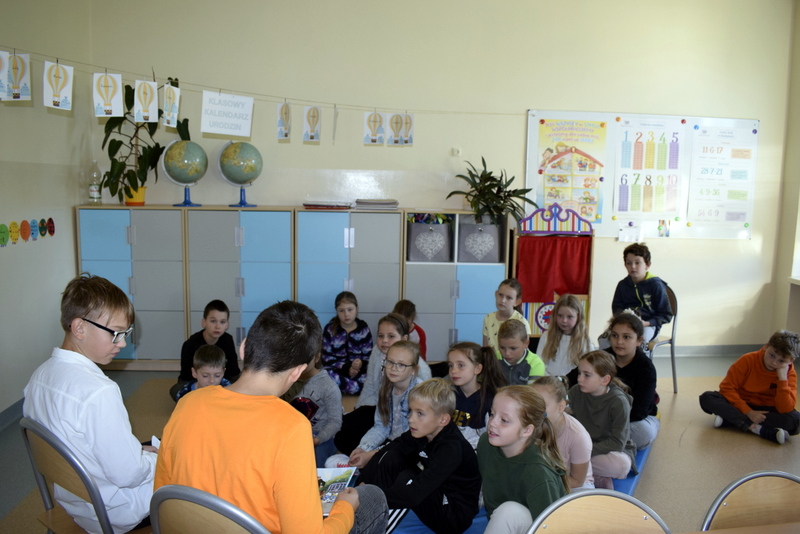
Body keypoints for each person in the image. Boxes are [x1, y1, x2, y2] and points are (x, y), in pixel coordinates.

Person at [155, 300, 388, 534]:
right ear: (297, 372)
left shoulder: (188, 403)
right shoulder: (292, 427)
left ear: (244, 348)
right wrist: (345, 508)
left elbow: (162, 496)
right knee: (371, 496)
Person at [23, 273, 156, 533]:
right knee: (190, 461)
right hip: (113, 512)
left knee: (144, 450)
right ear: (79, 328)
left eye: (125, 333)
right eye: (116, 333)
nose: (123, 343)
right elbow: (129, 475)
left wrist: (139, 454)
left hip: (74, 498)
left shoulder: (39, 377)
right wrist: (156, 459)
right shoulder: (99, 392)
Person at [359, 379, 481, 534]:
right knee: (393, 456)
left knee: (407, 479)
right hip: (437, 491)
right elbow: (391, 449)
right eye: (410, 411)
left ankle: (379, 522)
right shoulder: (425, 431)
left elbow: (414, 495)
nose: (411, 419)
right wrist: (364, 484)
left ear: (443, 419)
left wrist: (370, 497)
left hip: (454, 514)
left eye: (420, 414)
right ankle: (369, 506)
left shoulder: (450, 449)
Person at [477, 386, 569, 534]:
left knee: (509, 512)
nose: (492, 423)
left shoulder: (538, 471)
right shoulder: (486, 444)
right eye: (492, 414)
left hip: (544, 528)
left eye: (504, 420)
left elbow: (552, 528)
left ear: (527, 430)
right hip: (505, 522)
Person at [335, 314, 431, 456]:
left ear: (404, 338)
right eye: (380, 336)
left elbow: (417, 426)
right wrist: (358, 409)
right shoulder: (377, 352)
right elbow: (370, 385)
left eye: (391, 336)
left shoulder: (420, 373)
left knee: (355, 434)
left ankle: (373, 455)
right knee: (341, 431)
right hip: (382, 408)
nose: (385, 341)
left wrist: (374, 453)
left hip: (406, 430)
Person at [700, 330, 800, 445]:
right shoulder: (748, 360)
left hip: (767, 410)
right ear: (766, 346)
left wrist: (782, 379)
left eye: (781, 361)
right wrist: (748, 412)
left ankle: (731, 421)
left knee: (795, 420)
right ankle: (758, 429)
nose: (774, 362)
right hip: (741, 403)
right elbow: (726, 388)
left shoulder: (789, 373)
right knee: (707, 398)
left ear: (791, 360)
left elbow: (785, 409)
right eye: (772, 355)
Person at [348, 341, 423, 469]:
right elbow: (381, 426)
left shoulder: (419, 394)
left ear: (414, 370)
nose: (393, 368)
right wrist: (363, 448)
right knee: (346, 439)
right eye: (390, 362)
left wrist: (372, 455)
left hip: (411, 447)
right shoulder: (385, 389)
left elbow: (410, 440)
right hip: (392, 443)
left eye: (401, 365)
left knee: (379, 466)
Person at [568, 350, 636, 490]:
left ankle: (581, 471)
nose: (579, 379)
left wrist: (581, 452)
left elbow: (617, 443)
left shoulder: (618, 401)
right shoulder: (575, 392)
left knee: (620, 465)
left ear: (605, 380)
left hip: (609, 451)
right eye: (579, 373)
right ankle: (594, 476)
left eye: (587, 375)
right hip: (581, 447)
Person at [604, 312, 659, 450]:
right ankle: (606, 442)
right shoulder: (601, 358)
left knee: (644, 434)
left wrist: (608, 421)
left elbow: (640, 411)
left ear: (639, 341)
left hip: (635, 420)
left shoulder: (646, 368)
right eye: (615, 335)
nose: (619, 341)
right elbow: (573, 378)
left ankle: (600, 441)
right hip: (600, 415)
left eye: (626, 337)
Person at [531, 376, 594, 489]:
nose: (535, 409)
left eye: (542, 404)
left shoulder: (578, 436)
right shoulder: (528, 424)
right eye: (532, 403)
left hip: (573, 485)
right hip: (542, 478)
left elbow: (577, 481)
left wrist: (542, 482)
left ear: (561, 407)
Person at [171, 299, 239, 401]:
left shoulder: (228, 340)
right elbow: (186, 375)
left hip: (219, 379)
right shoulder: (190, 344)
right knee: (176, 391)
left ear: (227, 325)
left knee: (242, 383)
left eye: (222, 322)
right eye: (213, 321)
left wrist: (218, 380)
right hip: (195, 380)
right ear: (204, 322)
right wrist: (204, 382)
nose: (217, 326)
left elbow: (233, 370)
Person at [610, 242, 672, 345]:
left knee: (638, 341)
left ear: (647, 265)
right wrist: (623, 320)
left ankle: (641, 356)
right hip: (625, 325)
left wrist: (646, 323)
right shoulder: (622, 285)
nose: (633, 267)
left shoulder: (656, 285)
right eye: (629, 263)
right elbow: (617, 308)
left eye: (637, 263)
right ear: (625, 265)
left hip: (649, 326)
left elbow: (666, 315)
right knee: (605, 339)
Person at [447, 341, 506, 449]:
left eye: (461, 365)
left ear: (477, 369)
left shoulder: (490, 397)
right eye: (451, 365)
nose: (453, 371)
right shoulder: (447, 394)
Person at [291, 351, 343, 467]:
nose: (300, 362)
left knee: (315, 462)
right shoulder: (287, 380)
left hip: (321, 436)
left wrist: (317, 439)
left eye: (306, 357)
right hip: (295, 433)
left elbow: (335, 422)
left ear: (317, 357)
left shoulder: (329, 387)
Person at [322, 291, 373, 395]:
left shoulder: (363, 330)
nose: (346, 314)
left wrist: (360, 364)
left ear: (357, 309)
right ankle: (356, 388)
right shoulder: (330, 330)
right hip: (338, 372)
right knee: (324, 374)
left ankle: (344, 388)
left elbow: (369, 357)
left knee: (376, 376)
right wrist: (346, 368)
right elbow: (326, 358)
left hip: (359, 373)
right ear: (336, 311)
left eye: (350, 310)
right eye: (341, 310)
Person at [539, 294, 594, 377]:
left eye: (570, 317)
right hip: (548, 382)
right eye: (560, 316)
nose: (564, 320)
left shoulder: (586, 342)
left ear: (578, 317)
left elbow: (588, 371)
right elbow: (539, 364)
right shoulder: (546, 337)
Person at [482, 278, 532, 353]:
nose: (503, 300)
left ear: (517, 302)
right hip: (492, 360)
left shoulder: (522, 322)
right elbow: (485, 350)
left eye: (509, 298)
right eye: (500, 295)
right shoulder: (488, 318)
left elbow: (523, 351)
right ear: (496, 294)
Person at [496, 319, 545, 385]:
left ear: (526, 344)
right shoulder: (494, 359)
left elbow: (533, 391)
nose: (507, 353)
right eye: (502, 348)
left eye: (513, 348)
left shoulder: (535, 364)